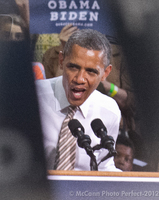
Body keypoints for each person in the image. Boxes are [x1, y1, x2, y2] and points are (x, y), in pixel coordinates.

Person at [35, 29, 121, 171]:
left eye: (91, 71)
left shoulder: (110, 111)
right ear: (61, 61)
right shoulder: (34, 97)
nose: (80, 79)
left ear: (105, 73)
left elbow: (104, 165)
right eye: (73, 67)